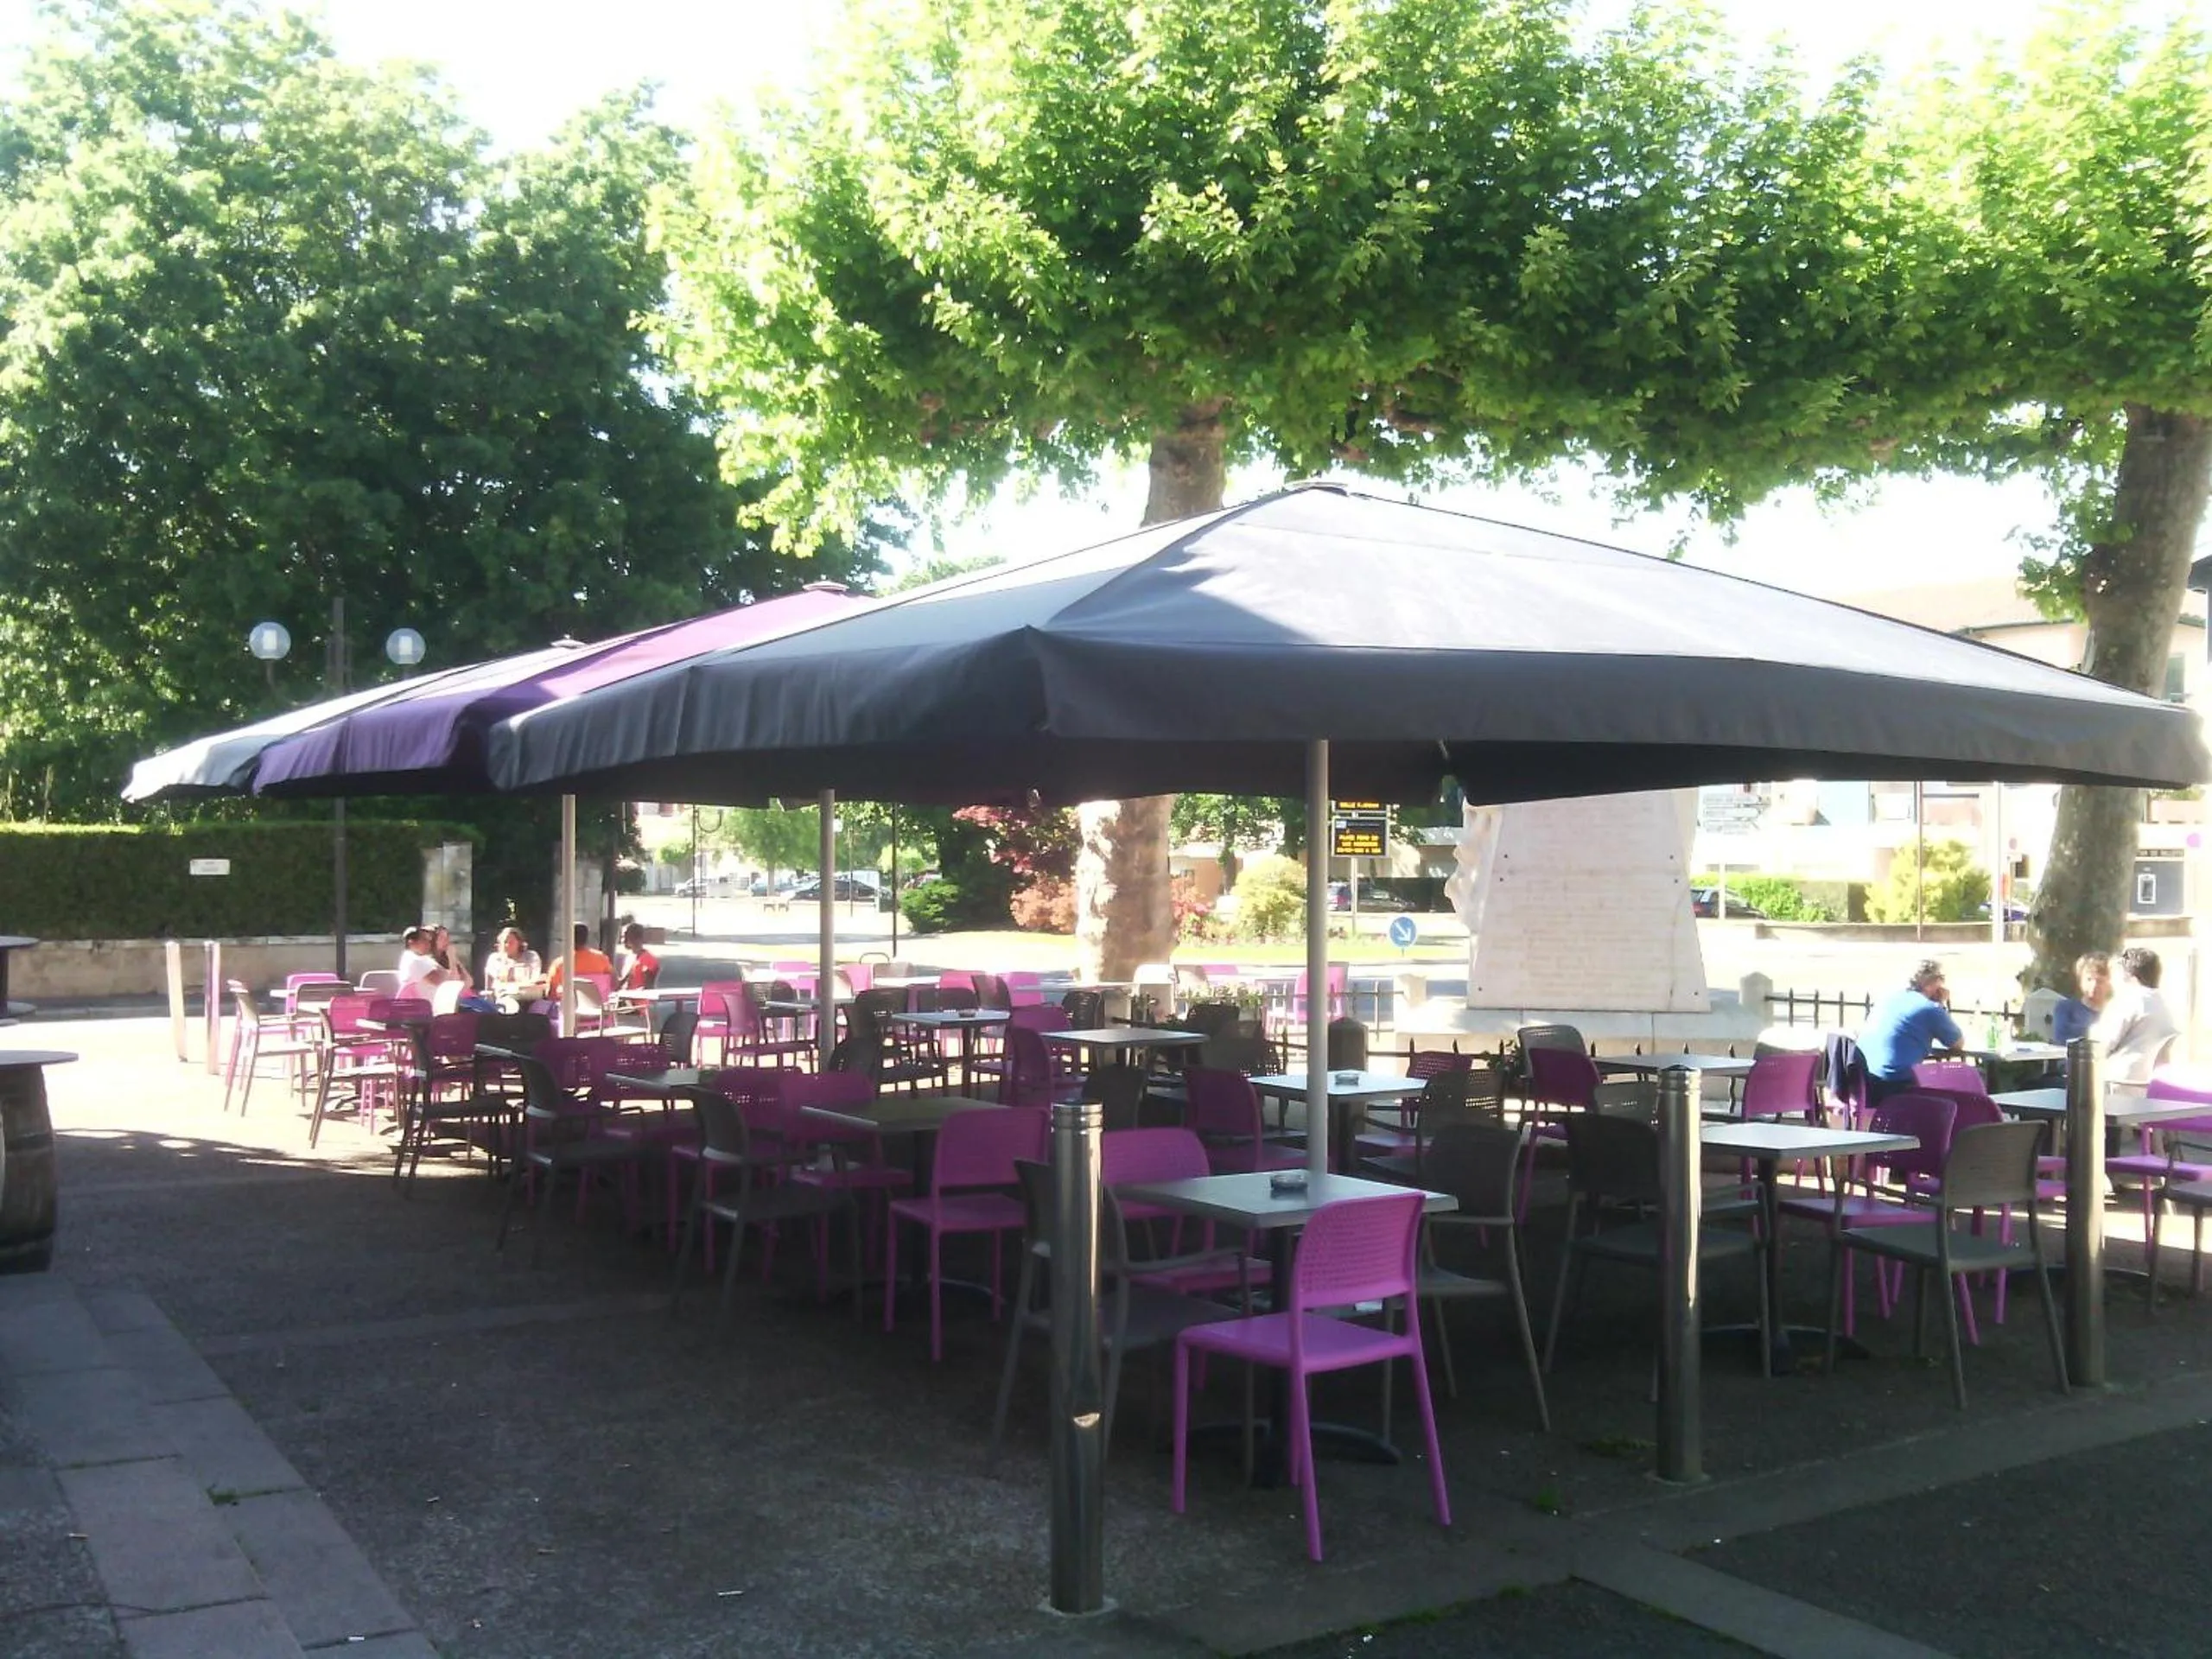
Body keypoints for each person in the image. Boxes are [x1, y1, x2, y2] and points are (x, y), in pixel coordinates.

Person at [1858, 959, 1964, 1104]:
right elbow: (1957, 1043)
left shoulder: (1888, 999)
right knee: (1960, 1088)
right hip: (1894, 1083)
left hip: (1862, 1079)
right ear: (1932, 982)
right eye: (1941, 979)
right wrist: (1941, 1004)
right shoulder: (1929, 1008)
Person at [2093, 946, 2179, 1085]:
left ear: (2128, 976)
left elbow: (2100, 1046)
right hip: (2151, 1085)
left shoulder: (2127, 1000)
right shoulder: (2163, 1005)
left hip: (2117, 1082)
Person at [2051, 950, 2111, 1046]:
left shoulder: (2118, 1012)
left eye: (2100, 981)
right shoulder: (2066, 1008)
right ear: (2080, 981)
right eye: (2089, 979)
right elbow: (2061, 1040)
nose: (2094, 985)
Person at [544, 923, 613, 998]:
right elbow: (614, 983)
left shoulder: (560, 964)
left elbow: (551, 994)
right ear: (587, 938)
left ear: (568, 939)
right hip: (598, 1004)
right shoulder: (602, 958)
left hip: (569, 1004)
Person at [395, 927, 453, 1004]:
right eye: (424, 940)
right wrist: (452, 957)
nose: (429, 944)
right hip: (424, 1008)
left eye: (429, 941)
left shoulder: (424, 958)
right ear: (411, 942)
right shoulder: (414, 961)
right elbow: (443, 981)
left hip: (436, 1005)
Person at [482, 927, 543, 994]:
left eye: (511, 942)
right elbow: (501, 979)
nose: (507, 945)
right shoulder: (495, 958)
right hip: (504, 994)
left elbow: (534, 978)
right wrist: (505, 961)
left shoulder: (531, 956)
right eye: (505, 942)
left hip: (527, 993)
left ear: (519, 943)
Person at [616, 922, 661, 991]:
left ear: (637, 938)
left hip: (639, 997)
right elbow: (624, 982)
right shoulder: (630, 957)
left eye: (625, 936)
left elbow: (648, 988)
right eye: (622, 937)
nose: (622, 940)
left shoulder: (648, 960)